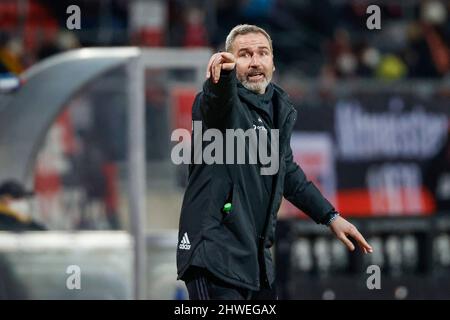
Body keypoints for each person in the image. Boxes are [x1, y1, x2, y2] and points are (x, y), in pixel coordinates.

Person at [176, 24, 372, 300]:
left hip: (254, 264)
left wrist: (330, 216)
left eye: (262, 53)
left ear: (273, 63)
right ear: (230, 61)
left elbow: (288, 172)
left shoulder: (276, 109)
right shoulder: (217, 104)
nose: (255, 62)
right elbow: (216, 104)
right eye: (244, 55)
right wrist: (221, 80)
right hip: (214, 255)